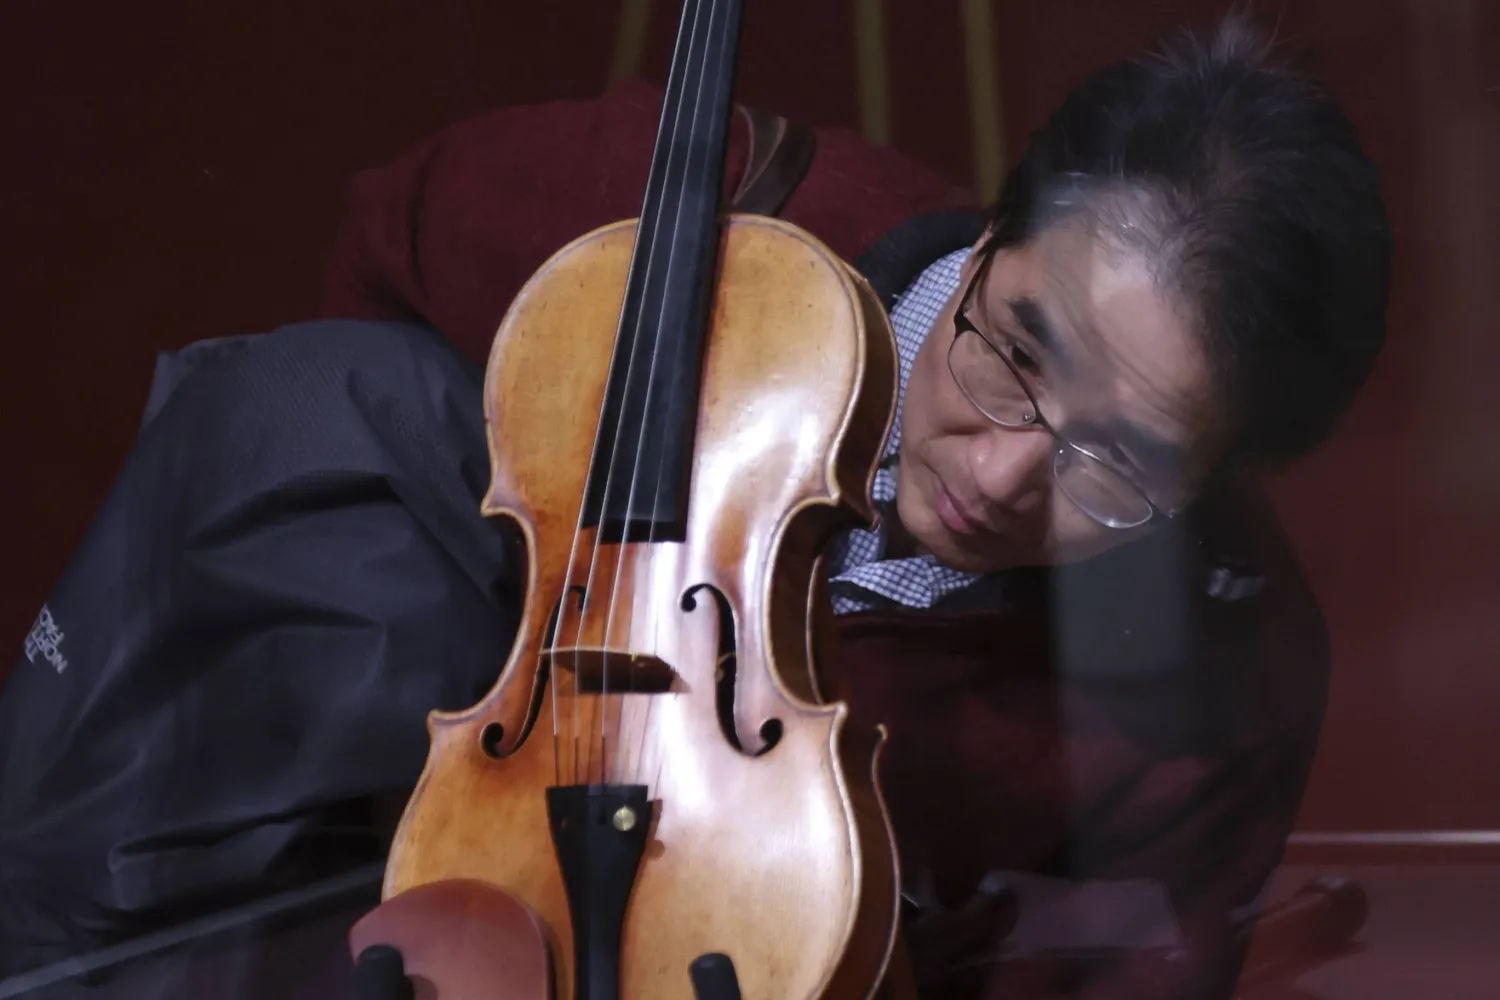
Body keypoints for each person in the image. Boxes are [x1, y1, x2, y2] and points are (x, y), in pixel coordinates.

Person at [0, 14, 1390, 1000]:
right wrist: (510, 597)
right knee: (344, 402)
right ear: (987, 237)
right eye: (1014, 354)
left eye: (1125, 466)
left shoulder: (1237, 678)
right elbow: (374, 284)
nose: (1001, 474)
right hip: (416, 799)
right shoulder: (712, 207)